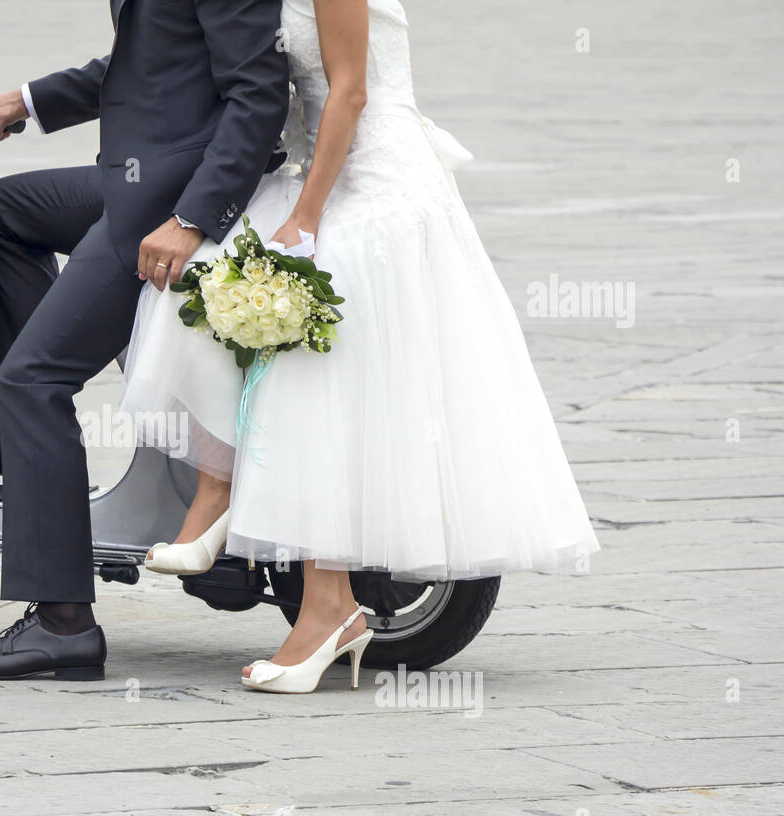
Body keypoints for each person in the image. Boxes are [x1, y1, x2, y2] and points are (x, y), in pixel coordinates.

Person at [122, 0, 601, 693]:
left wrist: (305, 220)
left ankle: (327, 611)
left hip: (375, 184)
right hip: (319, 168)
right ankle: (221, 488)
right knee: (196, 279)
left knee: (314, 368)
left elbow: (350, 89)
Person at [0, 0, 290, 681]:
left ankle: (62, 622)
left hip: (172, 196)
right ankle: (33, 452)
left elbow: (259, 93)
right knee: (8, 211)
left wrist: (190, 220)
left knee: (31, 381)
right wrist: (29, 102)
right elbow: (150, 63)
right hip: (148, 172)